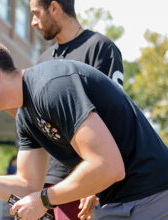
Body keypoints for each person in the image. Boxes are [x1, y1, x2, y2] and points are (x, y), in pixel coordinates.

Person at [0, 39, 168, 220]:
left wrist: (45, 200)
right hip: (117, 202)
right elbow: (28, 185)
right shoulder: (25, 115)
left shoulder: (52, 86)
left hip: (154, 196)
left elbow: (108, 167)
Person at [29, 0, 124, 219]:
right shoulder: (42, 61)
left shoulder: (100, 48)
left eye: (36, 13)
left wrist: (97, 184)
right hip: (50, 183)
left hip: (85, 185)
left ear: (54, 7)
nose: (33, 22)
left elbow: (114, 118)